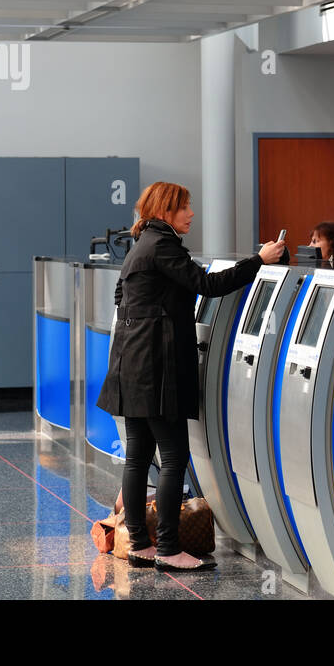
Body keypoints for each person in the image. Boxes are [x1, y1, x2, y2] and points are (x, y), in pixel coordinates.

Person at [97, 182, 285, 571]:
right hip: (157, 371)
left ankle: (140, 544)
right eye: (185, 207)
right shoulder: (162, 247)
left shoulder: (141, 246)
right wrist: (259, 259)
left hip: (132, 365)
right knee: (173, 457)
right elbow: (208, 285)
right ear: (166, 210)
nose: (191, 214)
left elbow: (121, 297)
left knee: (136, 457)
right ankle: (167, 549)